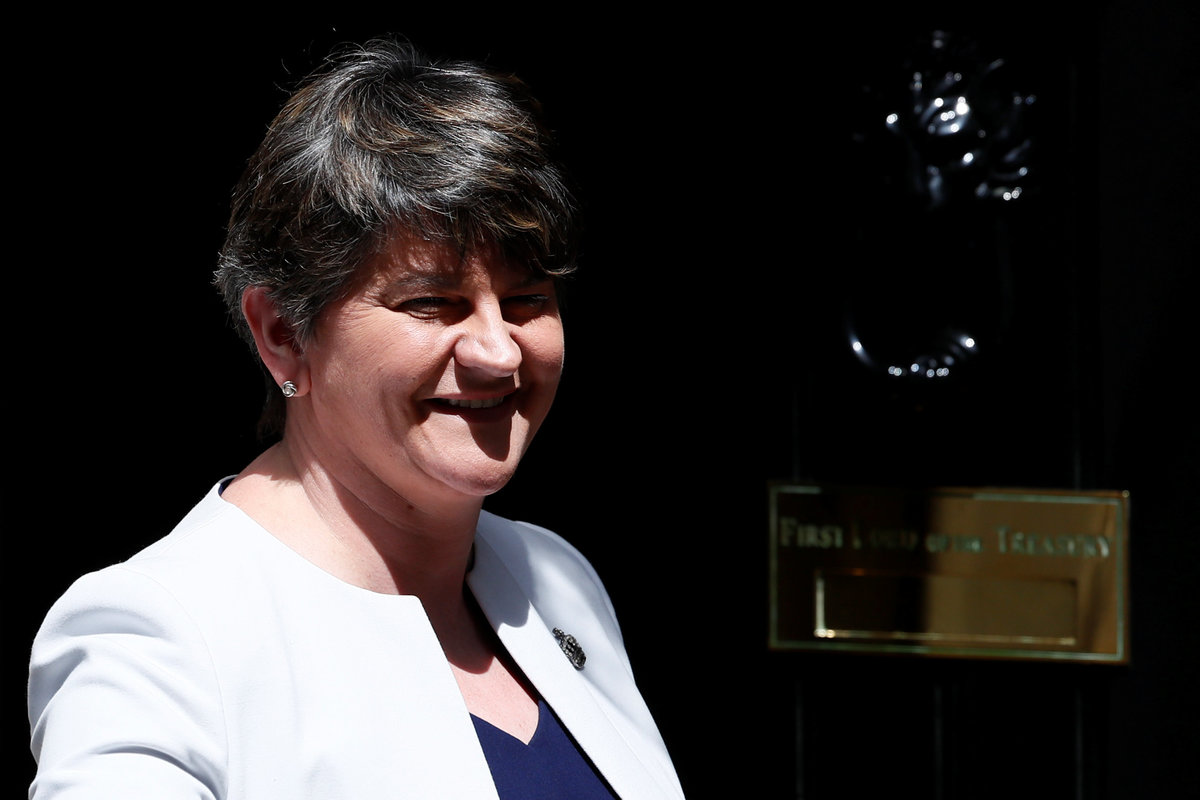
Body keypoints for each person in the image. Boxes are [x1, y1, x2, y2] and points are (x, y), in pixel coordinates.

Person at [27, 37, 685, 799]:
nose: (499, 351)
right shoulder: (160, 637)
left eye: (527, 299)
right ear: (283, 334)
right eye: (432, 302)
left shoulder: (558, 578)